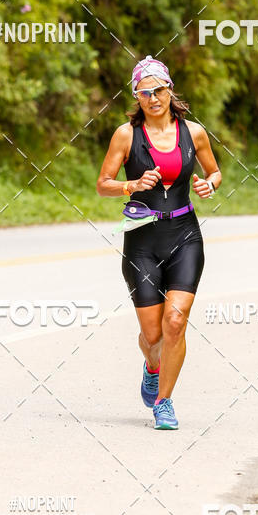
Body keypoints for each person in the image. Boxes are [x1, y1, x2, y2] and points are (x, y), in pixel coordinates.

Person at [96, 55, 221, 430]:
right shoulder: (126, 135)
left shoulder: (193, 132)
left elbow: (214, 172)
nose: (153, 97)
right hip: (142, 241)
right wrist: (131, 185)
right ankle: (153, 366)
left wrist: (208, 184)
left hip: (184, 236)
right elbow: (103, 184)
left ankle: (164, 402)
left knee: (175, 322)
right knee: (152, 337)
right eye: (144, 92)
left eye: (159, 89)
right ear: (137, 97)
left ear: (170, 90)